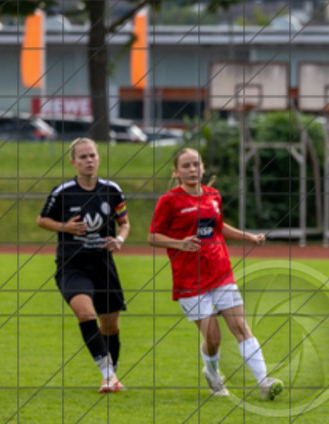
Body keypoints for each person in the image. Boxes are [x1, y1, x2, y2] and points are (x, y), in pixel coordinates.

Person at [148, 147, 283, 400]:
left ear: (203, 168)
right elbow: (152, 237)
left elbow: (219, 228)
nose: (192, 169)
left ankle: (264, 382)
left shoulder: (213, 195)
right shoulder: (169, 200)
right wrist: (180, 244)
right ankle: (212, 374)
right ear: (176, 172)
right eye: (186, 166)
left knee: (241, 326)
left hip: (220, 272)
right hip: (190, 280)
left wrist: (249, 237)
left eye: (196, 164)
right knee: (213, 338)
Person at [37, 137, 130, 393]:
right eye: (83, 157)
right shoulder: (62, 192)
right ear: (73, 162)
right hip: (72, 265)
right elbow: (42, 220)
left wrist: (119, 240)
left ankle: (112, 375)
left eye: (92, 156)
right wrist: (64, 227)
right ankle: (107, 375)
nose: (88, 161)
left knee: (110, 324)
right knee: (85, 313)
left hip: (103, 265)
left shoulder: (112, 190)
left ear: (98, 159)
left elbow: (124, 223)